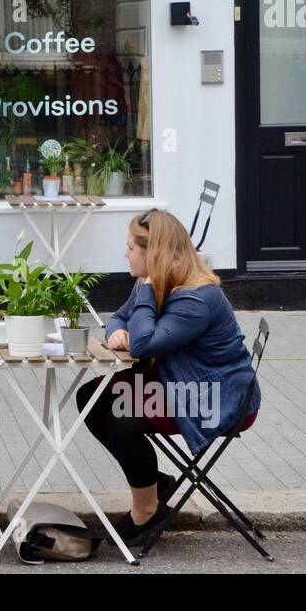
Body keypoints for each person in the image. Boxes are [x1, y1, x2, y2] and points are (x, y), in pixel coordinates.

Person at [76, 208, 260, 546]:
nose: (125, 253)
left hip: (214, 396)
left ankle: (145, 510)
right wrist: (117, 333)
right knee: (91, 396)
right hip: (178, 383)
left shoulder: (196, 297)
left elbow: (144, 345)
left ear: (153, 253)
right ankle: (154, 482)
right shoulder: (155, 282)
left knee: (123, 415)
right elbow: (119, 317)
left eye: (131, 247)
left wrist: (144, 296)